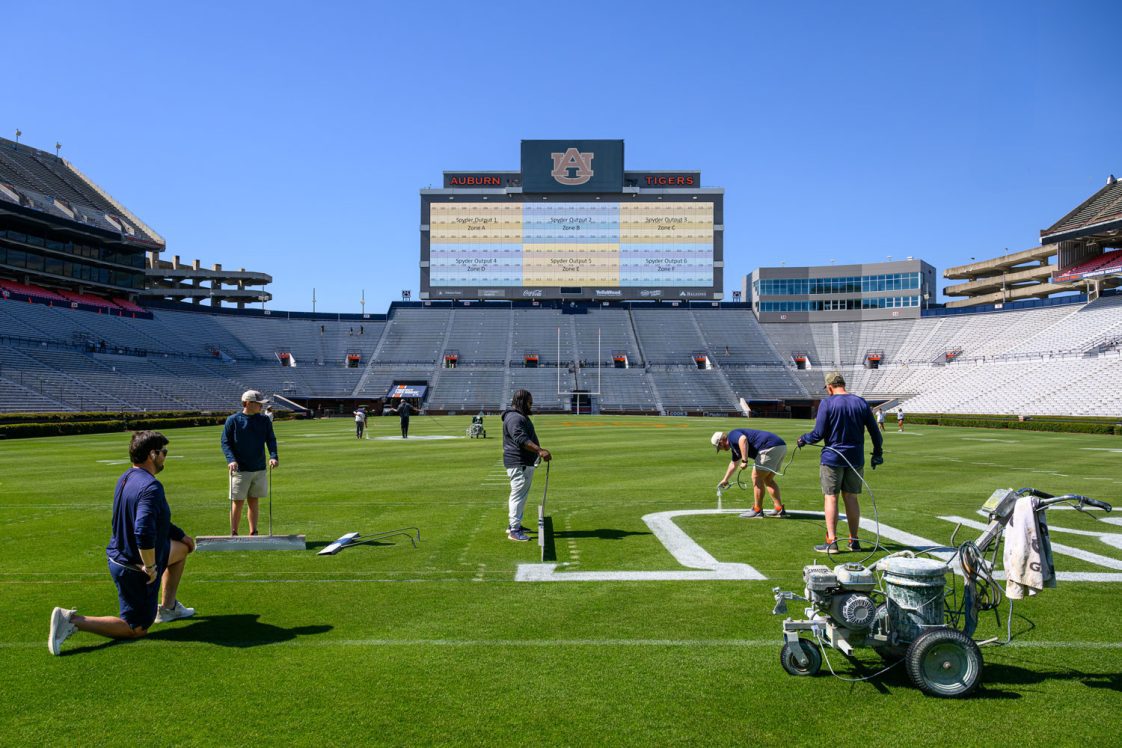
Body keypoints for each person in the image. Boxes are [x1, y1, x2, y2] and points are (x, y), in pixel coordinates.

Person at [48, 430, 195, 655]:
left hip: (121, 556)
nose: (165, 456)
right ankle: (72, 620)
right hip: (135, 567)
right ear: (151, 455)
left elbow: (158, 520)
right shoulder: (151, 487)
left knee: (181, 549)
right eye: (163, 452)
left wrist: (181, 535)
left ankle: (168, 608)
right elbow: (143, 531)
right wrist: (151, 567)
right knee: (136, 628)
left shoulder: (127, 476)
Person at [797, 371, 884, 554]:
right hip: (855, 458)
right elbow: (875, 433)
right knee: (851, 498)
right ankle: (854, 540)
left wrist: (803, 439)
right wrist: (877, 453)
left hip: (832, 457)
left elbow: (818, 434)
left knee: (831, 497)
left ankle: (832, 541)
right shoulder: (860, 402)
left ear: (829, 387)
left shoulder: (827, 403)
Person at [221, 390, 279, 536]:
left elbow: (270, 439)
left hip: (259, 468)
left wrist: (273, 456)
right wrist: (231, 460)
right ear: (247, 403)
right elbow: (225, 442)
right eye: (258, 403)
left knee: (254, 501)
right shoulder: (233, 420)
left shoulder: (264, 420)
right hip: (240, 469)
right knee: (238, 502)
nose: (261, 406)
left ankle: (253, 532)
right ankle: (234, 533)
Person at [501, 389, 551, 542]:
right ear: (522, 402)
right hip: (519, 462)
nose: (531, 406)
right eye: (529, 403)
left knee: (520, 495)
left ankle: (515, 525)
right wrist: (539, 450)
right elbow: (521, 439)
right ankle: (514, 530)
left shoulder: (517, 416)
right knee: (518, 495)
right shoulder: (515, 418)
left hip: (523, 462)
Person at [711, 429, 787, 518]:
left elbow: (743, 439)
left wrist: (744, 460)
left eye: (719, 447)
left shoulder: (732, 435)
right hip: (780, 446)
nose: (721, 449)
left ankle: (757, 510)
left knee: (756, 478)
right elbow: (733, 464)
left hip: (769, 446)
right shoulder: (734, 446)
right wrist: (725, 480)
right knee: (768, 479)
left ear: (721, 442)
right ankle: (779, 508)